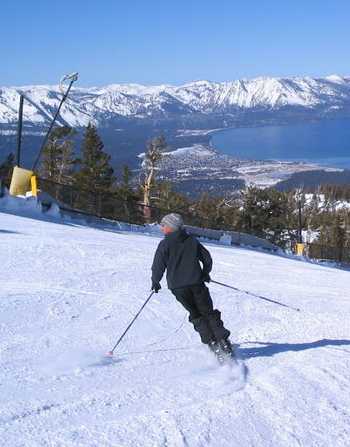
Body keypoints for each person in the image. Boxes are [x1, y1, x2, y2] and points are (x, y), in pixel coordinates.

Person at [151, 213, 234, 362]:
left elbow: (158, 265)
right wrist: (204, 273)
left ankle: (212, 343)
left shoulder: (164, 244)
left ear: (171, 227)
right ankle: (223, 343)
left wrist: (155, 281)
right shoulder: (192, 241)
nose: (162, 228)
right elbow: (207, 258)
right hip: (196, 283)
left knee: (196, 314)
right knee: (208, 312)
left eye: (164, 225)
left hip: (177, 287)